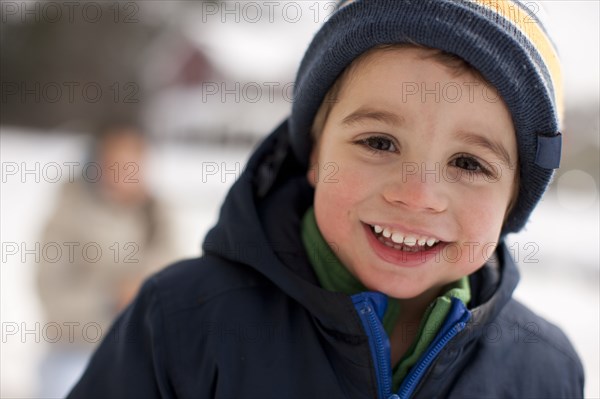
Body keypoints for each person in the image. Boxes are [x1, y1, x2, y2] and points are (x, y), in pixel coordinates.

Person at [68, 1, 584, 398]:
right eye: (379, 143)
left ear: (516, 197)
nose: (417, 195)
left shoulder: (545, 368)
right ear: (314, 154)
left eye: (469, 164)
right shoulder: (182, 321)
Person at [37, 123, 178, 397]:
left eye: (135, 161)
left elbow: (176, 272)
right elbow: (52, 297)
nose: (128, 171)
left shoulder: (158, 215)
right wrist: (111, 299)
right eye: (119, 161)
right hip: (77, 352)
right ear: (99, 162)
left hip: (145, 354)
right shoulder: (68, 214)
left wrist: (146, 290)